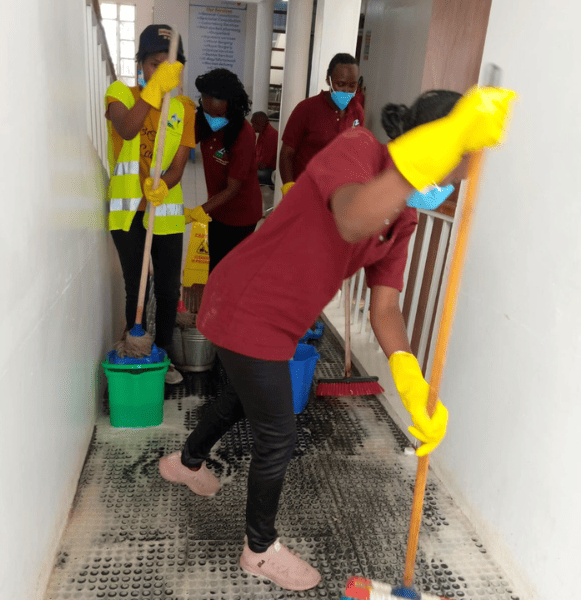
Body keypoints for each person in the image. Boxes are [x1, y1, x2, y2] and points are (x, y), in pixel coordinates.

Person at [159, 86, 516, 590]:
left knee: (240, 397)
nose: (452, 185)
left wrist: (407, 373)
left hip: (278, 318)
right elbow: (350, 218)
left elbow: (385, 306)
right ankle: (259, 550)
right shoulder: (358, 149)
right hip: (247, 303)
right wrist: (436, 152)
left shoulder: (405, 216)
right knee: (277, 434)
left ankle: (185, 462)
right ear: (428, 147)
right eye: (452, 171)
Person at [105, 24, 186, 384]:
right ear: (140, 64)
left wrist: (164, 184)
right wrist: (153, 90)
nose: (162, 72)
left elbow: (179, 165)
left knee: (168, 289)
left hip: (164, 213)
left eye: (169, 66)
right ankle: (135, 350)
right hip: (128, 213)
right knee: (137, 285)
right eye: (155, 64)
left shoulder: (183, 109)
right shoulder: (119, 93)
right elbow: (126, 129)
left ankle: (164, 355)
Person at [184, 69, 263, 274]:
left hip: (242, 215)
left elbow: (233, 189)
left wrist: (200, 210)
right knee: (215, 266)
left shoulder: (243, 133)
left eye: (216, 113)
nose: (210, 116)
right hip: (217, 210)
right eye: (204, 102)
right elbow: (181, 146)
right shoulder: (203, 121)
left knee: (232, 271)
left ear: (229, 102)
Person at [278, 52, 364, 196]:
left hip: (338, 196)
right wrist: (289, 188)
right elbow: (286, 154)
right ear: (328, 80)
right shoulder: (306, 109)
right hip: (306, 192)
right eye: (340, 84)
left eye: (352, 85)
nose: (346, 91)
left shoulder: (357, 111)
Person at [250, 111, 279, 188]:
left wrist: (250, 167)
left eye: (253, 124)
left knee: (245, 174)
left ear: (259, 124)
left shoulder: (271, 136)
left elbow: (264, 163)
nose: (252, 126)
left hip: (270, 171)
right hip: (264, 168)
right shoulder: (262, 133)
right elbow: (256, 153)